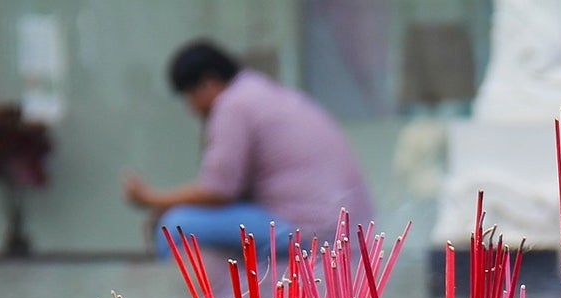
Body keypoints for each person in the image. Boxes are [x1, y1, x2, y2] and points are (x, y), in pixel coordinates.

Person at [122, 40, 374, 253]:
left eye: (190, 96)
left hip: (309, 228)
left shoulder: (233, 105)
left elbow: (218, 191)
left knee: (174, 226)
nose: (191, 108)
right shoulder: (260, 92)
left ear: (208, 82)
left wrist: (152, 199)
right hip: (344, 226)